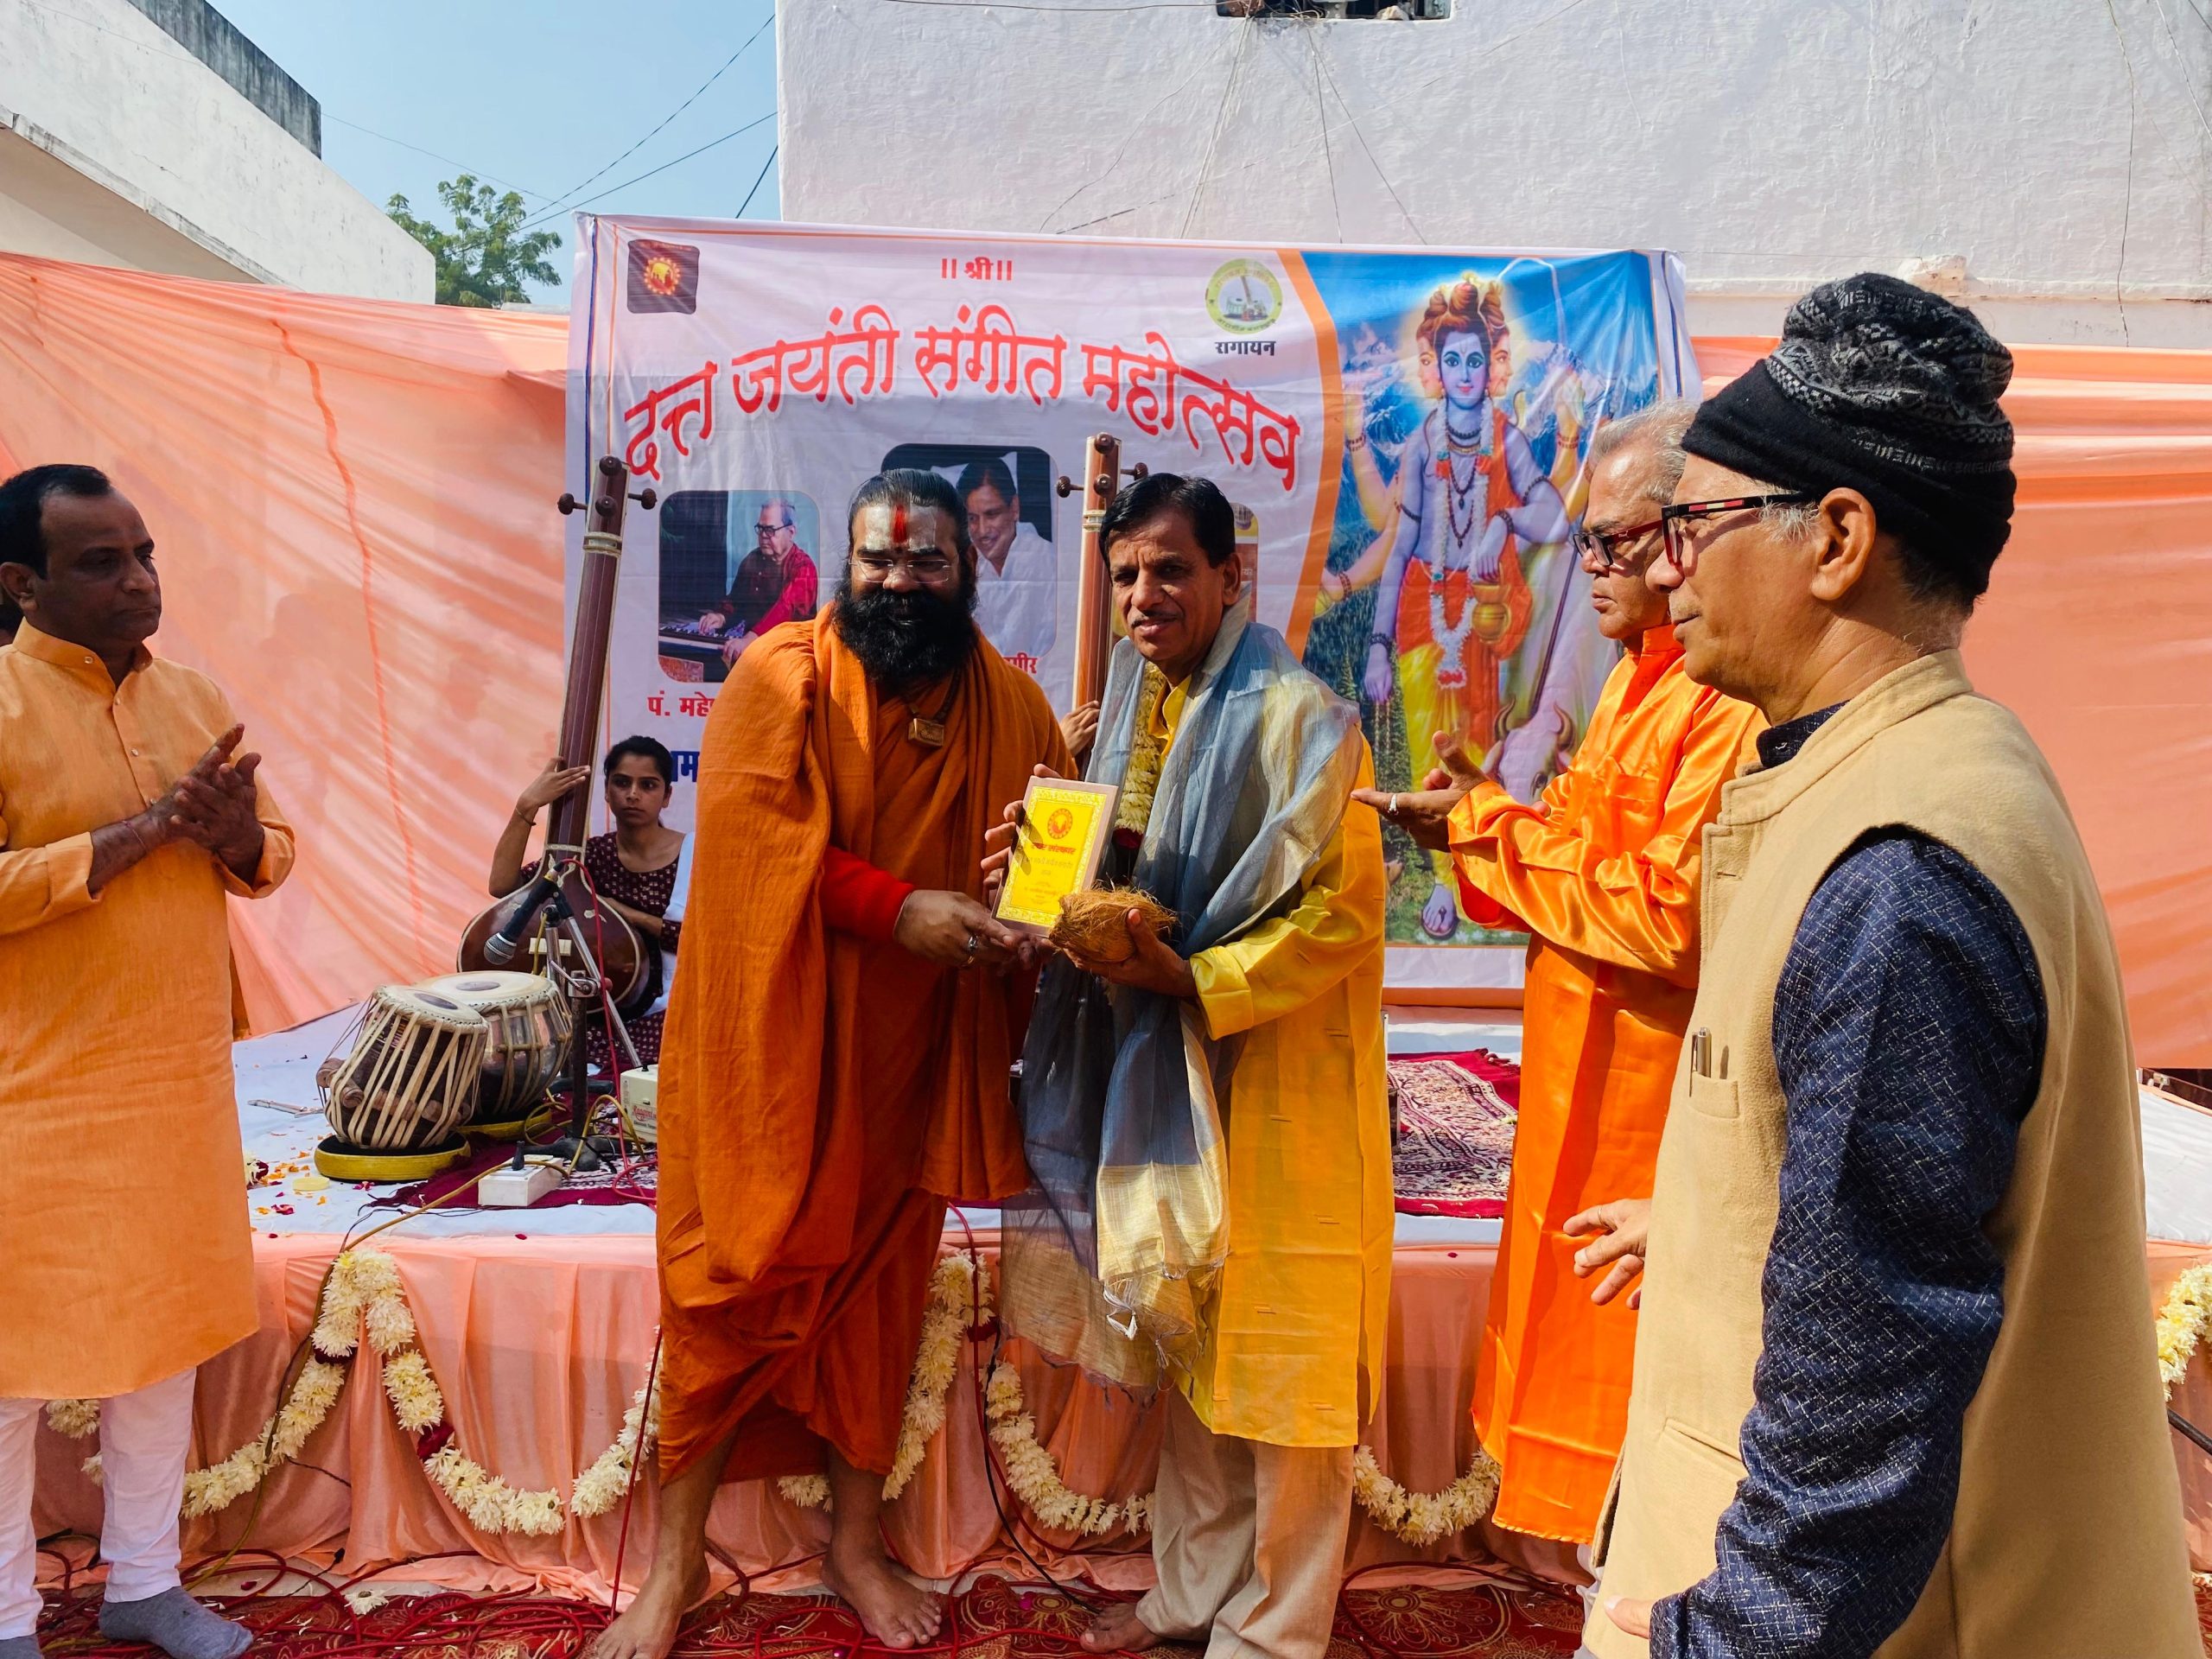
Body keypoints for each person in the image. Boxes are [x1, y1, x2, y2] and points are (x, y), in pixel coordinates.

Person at [1572, 276, 2198, 1657]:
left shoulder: (1896, 865)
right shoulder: (1921, 770)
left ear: (1839, 540)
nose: (1665, 569)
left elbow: (1864, 1406)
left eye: (1693, 523)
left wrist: (1713, 1639)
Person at [590, 469, 1070, 1659]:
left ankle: (856, 1547)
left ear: (967, 570)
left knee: (875, 1313)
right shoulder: (779, 675)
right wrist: (901, 910)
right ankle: (675, 1565)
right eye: (879, 560)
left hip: (911, 1068)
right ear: (843, 566)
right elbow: (752, 851)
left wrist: (1031, 914)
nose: (901, 581)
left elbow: (1049, 853)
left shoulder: (1011, 704)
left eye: (928, 561)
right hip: (769, 1058)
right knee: (722, 1295)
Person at [988, 474, 1390, 1659]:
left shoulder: (1305, 720)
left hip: (1277, 1076)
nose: (1143, 596)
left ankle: (1277, 1632)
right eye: (1125, 575)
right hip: (1164, 1069)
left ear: (1230, 576)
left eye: (1170, 569)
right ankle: (1190, 1601)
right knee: (1198, 1346)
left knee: (1285, 1367)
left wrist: (1195, 978)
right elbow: (1127, 875)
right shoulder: (1126, 709)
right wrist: (1041, 875)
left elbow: (1341, 919)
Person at [1358, 401, 1762, 1553]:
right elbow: (1574, 861)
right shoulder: (1635, 678)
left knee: (1638, 1414)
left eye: (1613, 540)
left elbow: (1665, 917)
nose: (1588, 564)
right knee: (1562, 1349)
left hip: (1650, 1107)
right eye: (1585, 540)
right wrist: (1472, 825)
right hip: (1576, 1086)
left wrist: (1487, 829)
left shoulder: (1725, 702)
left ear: (1689, 537)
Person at [0, 464, 294, 1659]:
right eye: (100, 562)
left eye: (144, 554)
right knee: (11, 1366)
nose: (138, 581)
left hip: (175, 1081)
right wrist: (140, 833)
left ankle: (146, 1583)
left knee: (165, 1345)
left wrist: (236, 835)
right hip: (34, 1093)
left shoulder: (192, 697)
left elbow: (270, 855)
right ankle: (6, 1618)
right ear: (22, 584)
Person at [1329, 280, 1570, 938]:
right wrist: (1378, 647)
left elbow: (1554, 517)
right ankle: (1443, 876)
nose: (1465, 374)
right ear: (1435, 368)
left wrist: (1503, 523)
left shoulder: (1506, 439)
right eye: (1452, 361)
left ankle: (1485, 870)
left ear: (1491, 367)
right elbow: (1400, 546)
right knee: (1428, 746)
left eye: (1475, 360)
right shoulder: (1422, 443)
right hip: (1421, 609)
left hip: (1486, 610)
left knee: (1484, 741)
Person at [488, 736, 686, 1071]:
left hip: (674, 1011)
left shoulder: (696, 856)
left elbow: (712, 943)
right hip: (599, 1016)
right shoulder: (588, 856)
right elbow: (502, 886)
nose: (633, 794)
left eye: (648, 785)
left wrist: (627, 914)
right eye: (621, 783)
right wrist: (527, 806)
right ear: (606, 792)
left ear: (666, 796)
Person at [698, 497, 818, 668]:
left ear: (791, 532)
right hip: (752, 651)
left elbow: (786, 609)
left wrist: (750, 639)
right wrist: (721, 617)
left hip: (791, 657)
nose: (763, 536)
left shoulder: (804, 568)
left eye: (770, 530)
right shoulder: (753, 560)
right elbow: (736, 600)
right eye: (760, 529)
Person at [960, 456, 1057, 668]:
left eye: (991, 515)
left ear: (1014, 508)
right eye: (972, 518)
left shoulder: (1047, 561)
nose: (982, 531)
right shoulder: (964, 565)